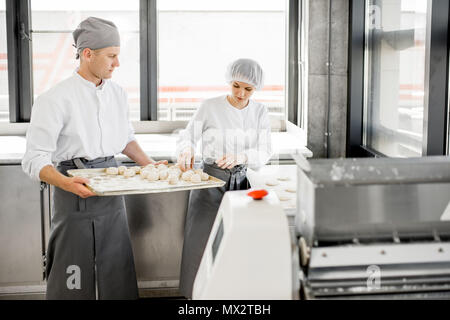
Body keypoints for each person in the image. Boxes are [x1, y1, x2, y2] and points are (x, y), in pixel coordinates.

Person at [22, 17, 166, 300]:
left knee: (117, 265)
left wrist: (150, 165)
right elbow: (34, 159)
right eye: (111, 56)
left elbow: (124, 138)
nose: (117, 64)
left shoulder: (117, 94)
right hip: (73, 188)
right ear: (87, 54)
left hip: (112, 188)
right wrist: (65, 184)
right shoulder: (55, 99)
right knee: (72, 269)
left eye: (118, 56)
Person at [176, 58, 272, 298]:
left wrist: (242, 156)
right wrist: (187, 149)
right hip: (208, 180)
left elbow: (265, 151)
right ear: (230, 82)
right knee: (200, 242)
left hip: (240, 184)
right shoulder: (210, 107)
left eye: (248, 89)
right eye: (236, 86)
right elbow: (187, 136)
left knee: (236, 243)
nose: (240, 93)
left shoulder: (260, 112)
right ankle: (192, 298)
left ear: (256, 89)